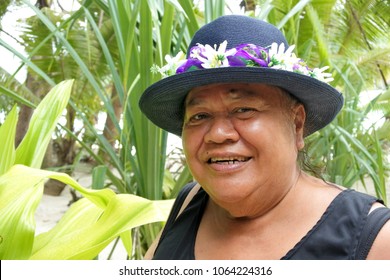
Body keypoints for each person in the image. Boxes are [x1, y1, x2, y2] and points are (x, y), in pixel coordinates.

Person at [139, 15, 390, 260]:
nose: (217, 134)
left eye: (243, 110)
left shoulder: (374, 240)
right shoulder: (189, 203)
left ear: (297, 123)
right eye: (199, 115)